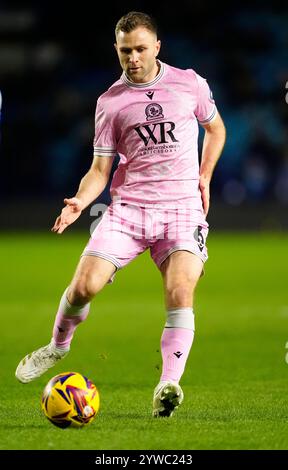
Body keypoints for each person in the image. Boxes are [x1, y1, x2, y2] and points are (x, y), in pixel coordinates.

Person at [15, 11, 226, 417]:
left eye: (141, 49)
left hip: (182, 208)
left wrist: (205, 175)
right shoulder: (110, 103)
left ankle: (168, 384)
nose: (133, 58)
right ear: (116, 49)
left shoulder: (190, 84)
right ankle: (58, 347)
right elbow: (100, 171)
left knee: (181, 291)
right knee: (83, 288)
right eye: (125, 50)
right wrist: (80, 200)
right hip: (128, 209)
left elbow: (216, 129)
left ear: (157, 47)